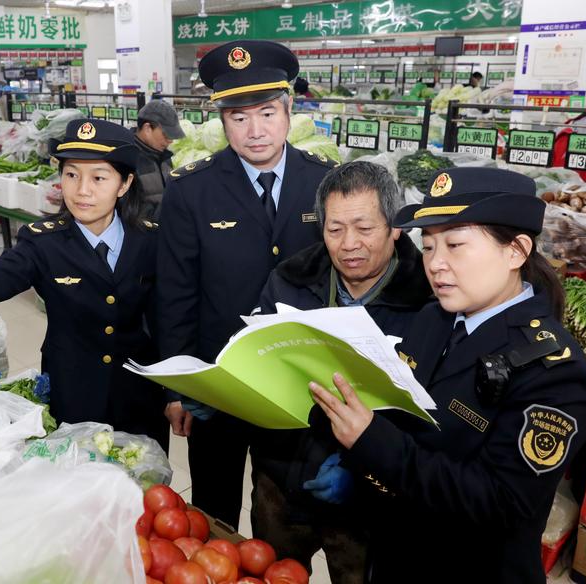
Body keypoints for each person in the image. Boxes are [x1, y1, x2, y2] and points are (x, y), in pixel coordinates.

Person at [309, 167, 586, 584]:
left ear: (516, 251)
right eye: (427, 247)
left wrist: (372, 441)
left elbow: (501, 501)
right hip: (396, 554)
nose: (436, 264)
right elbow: (402, 414)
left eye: (455, 246)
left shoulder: (554, 371)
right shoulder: (433, 320)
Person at [158, 40, 335, 529]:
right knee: (213, 510)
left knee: (283, 513)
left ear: (289, 109)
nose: (255, 131)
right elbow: (175, 293)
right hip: (219, 384)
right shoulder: (191, 190)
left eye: (267, 112)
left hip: (300, 381)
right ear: (221, 120)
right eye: (238, 117)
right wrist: (178, 385)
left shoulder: (325, 184)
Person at [0, 119, 169, 451]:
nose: (82, 190)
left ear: (124, 184)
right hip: (74, 387)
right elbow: (3, 270)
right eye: (71, 175)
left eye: (98, 178)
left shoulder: (149, 238)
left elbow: (168, 314)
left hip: (139, 390)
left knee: (145, 481)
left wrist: (175, 392)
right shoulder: (45, 241)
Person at [251, 161, 432, 583]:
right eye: (335, 230)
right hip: (281, 478)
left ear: (396, 228)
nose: (349, 244)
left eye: (364, 228)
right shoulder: (290, 281)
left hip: (370, 499)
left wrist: (363, 470)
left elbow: (428, 416)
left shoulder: (428, 301)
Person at [132, 100, 185, 220]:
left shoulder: (164, 157)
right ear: (147, 129)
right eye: (166, 135)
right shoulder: (129, 161)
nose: (170, 141)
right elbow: (131, 211)